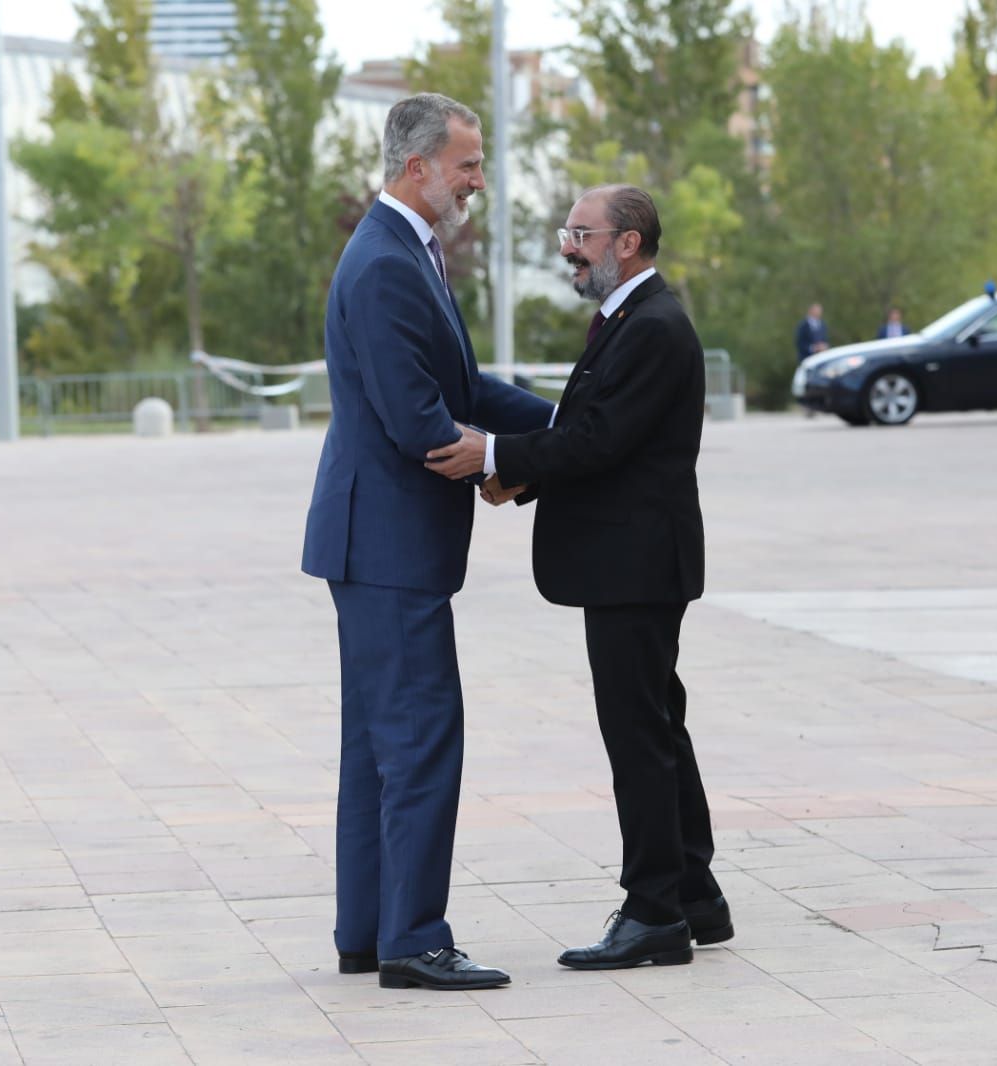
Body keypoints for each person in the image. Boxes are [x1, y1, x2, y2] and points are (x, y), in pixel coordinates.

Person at [423, 184, 732, 971]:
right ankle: (695, 893)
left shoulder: (653, 326)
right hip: (632, 562)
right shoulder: (630, 319)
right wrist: (525, 475)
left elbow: (597, 440)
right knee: (659, 723)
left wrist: (493, 456)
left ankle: (654, 910)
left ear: (626, 242)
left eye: (581, 234)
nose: (570, 246)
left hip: (635, 566)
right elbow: (593, 437)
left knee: (638, 736)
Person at [300, 92, 555, 992]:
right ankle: (414, 939)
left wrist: (563, 424)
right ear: (416, 169)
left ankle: (368, 930)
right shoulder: (383, 265)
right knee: (418, 740)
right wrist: (507, 464)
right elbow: (423, 422)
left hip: (379, 543)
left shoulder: (409, 252)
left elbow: (464, 383)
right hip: (388, 545)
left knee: (379, 743)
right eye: (468, 166)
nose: (478, 182)